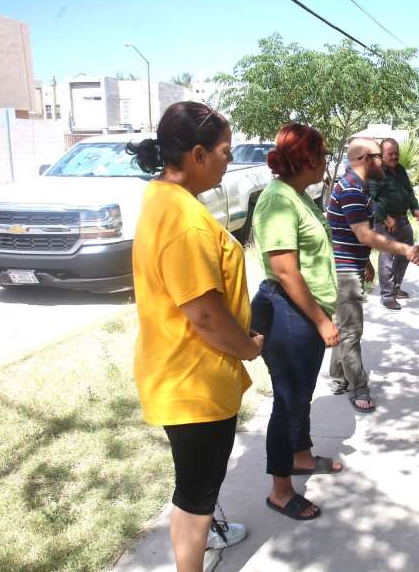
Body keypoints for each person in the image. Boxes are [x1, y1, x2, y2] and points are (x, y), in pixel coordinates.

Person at [128, 102, 262, 571]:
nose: (231, 159)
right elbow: (204, 315)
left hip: (180, 368)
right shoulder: (184, 219)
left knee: (200, 481)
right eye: (225, 151)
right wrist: (248, 347)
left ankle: (210, 535)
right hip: (193, 379)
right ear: (198, 155)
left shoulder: (163, 199)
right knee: (195, 493)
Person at [250, 123, 343, 522]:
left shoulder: (298, 195)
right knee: (288, 402)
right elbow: (286, 270)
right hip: (289, 312)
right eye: (322, 154)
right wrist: (321, 321)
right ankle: (281, 490)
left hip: (302, 311)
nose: (325, 161)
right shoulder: (277, 200)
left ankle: (301, 456)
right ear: (307, 159)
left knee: (301, 394)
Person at [326, 137, 419, 413]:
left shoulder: (358, 186)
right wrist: (405, 249)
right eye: (378, 156)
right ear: (365, 159)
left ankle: (338, 378)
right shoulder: (350, 189)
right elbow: (365, 235)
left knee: (345, 325)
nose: (383, 161)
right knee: (352, 331)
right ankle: (358, 387)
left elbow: (354, 233)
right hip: (345, 271)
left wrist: (366, 262)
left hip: (352, 263)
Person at [369, 138, 419, 310]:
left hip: (402, 220)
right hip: (385, 223)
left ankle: (395, 287)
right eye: (390, 154)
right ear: (382, 155)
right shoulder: (376, 172)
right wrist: (385, 217)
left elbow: (409, 192)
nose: (394, 156)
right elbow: (370, 199)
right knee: (386, 257)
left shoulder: (400, 170)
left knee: (407, 252)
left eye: (396, 153)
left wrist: (415, 208)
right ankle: (387, 295)